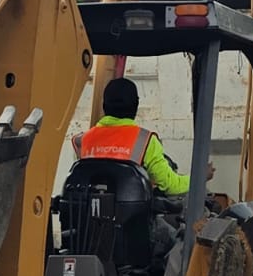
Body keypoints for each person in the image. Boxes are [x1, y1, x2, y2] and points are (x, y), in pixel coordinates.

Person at [73, 77, 206, 195]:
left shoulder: (84, 140)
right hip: (132, 215)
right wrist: (200, 177)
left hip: (87, 215)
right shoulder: (145, 141)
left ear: (104, 106)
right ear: (136, 105)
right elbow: (171, 186)